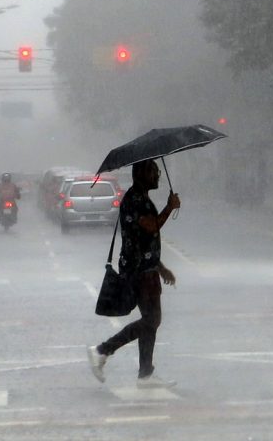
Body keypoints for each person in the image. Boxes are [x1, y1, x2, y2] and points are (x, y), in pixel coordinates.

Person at [88, 159, 180, 388]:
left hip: (146, 268)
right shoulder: (135, 200)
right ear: (141, 174)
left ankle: (146, 374)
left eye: (158, 171)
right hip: (139, 271)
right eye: (153, 171)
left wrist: (161, 267)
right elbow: (151, 227)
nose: (158, 175)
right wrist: (170, 207)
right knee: (152, 319)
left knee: (151, 321)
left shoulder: (141, 198)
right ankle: (102, 350)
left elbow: (145, 240)